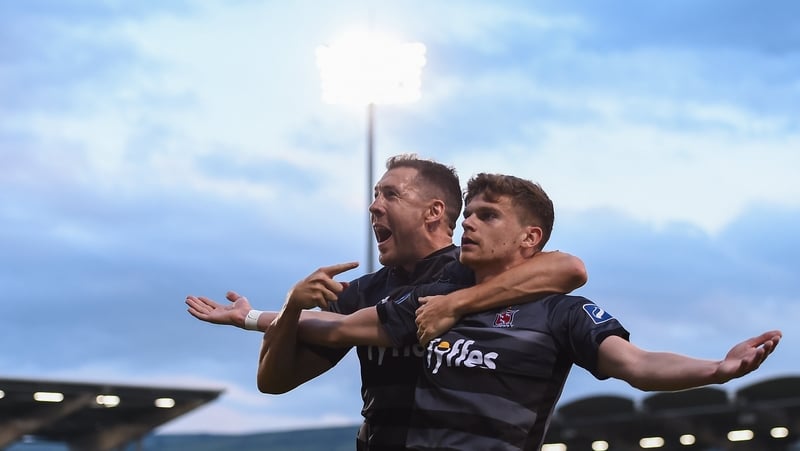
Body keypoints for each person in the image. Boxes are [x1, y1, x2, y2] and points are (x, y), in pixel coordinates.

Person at [288, 172, 782, 450]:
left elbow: (638, 364)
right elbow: (336, 329)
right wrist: (266, 316)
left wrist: (716, 369)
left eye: (488, 216)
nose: (469, 224)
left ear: (530, 238)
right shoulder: (430, 297)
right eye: (469, 214)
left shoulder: (560, 314)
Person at [186, 154, 588, 451]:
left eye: (390, 194)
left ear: (434, 212)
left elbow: (566, 267)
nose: (374, 205)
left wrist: (458, 302)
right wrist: (290, 309)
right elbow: (273, 382)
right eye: (375, 194)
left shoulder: (476, 269)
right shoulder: (359, 293)